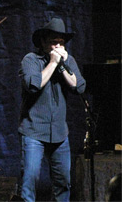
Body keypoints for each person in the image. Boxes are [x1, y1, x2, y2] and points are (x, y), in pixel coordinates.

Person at [18, 17, 86, 201]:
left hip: (59, 133)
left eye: (61, 43)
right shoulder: (31, 60)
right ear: (43, 42)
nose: (57, 47)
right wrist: (53, 63)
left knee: (63, 183)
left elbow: (78, 87)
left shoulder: (68, 61)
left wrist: (62, 65)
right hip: (33, 131)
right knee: (29, 181)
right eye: (53, 42)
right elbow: (34, 85)